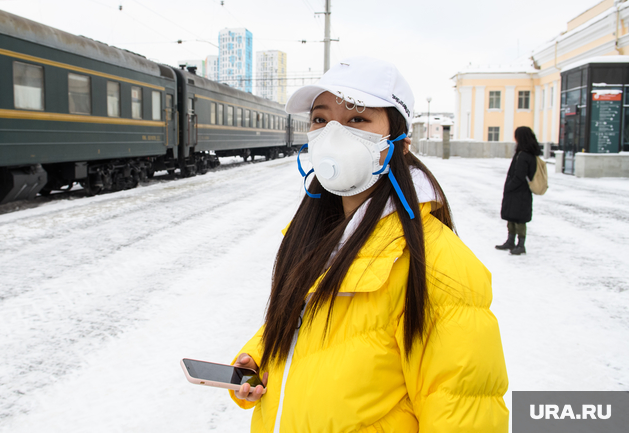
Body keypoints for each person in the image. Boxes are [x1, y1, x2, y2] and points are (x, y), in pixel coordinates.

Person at [229, 57, 508, 432]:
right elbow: (319, 328)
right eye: (320, 120)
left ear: (401, 142)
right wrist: (260, 356)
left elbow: (463, 408)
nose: (332, 134)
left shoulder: (437, 262)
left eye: (357, 119)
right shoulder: (313, 234)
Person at [495, 126, 541, 255]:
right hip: (520, 192)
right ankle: (511, 241)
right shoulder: (529, 153)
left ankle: (520, 245)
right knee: (512, 216)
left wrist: (509, 186)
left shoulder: (524, 155)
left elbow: (519, 175)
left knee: (519, 219)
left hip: (519, 192)